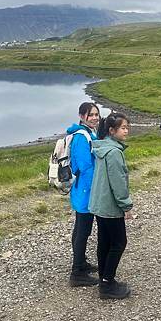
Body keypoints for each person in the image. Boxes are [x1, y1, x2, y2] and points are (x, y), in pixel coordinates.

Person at [89, 113, 133, 299]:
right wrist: (126, 206)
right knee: (118, 242)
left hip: (99, 204)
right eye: (123, 128)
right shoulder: (114, 152)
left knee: (105, 242)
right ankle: (107, 284)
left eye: (127, 127)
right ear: (111, 130)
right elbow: (118, 182)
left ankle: (104, 279)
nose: (126, 131)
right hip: (110, 206)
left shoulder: (102, 147)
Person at [67, 102, 101, 287]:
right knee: (82, 230)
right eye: (91, 115)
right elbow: (86, 167)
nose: (95, 117)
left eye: (97, 114)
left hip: (84, 190)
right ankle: (76, 273)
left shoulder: (89, 133)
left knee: (82, 228)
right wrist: (95, 189)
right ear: (82, 116)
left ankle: (81, 263)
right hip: (85, 191)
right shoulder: (82, 137)